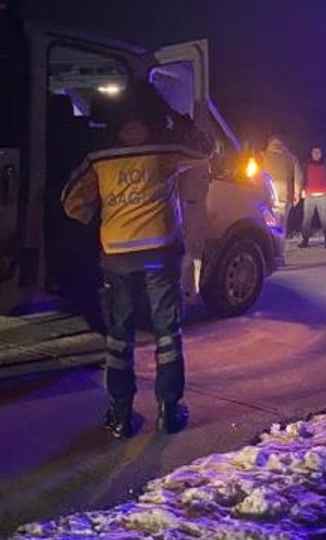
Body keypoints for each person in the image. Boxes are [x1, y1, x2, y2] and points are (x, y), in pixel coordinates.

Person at [61, 81, 213, 439]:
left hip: (117, 255)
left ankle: (121, 413)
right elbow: (206, 150)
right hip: (161, 252)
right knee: (167, 333)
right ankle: (168, 409)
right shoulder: (166, 151)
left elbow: (71, 202)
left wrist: (101, 215)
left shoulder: (98, 160)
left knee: (119, 336)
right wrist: (184, 123)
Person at [261, 134, 302, 236]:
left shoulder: (261, 156)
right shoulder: (292, 158)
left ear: (269, 143)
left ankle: (268, 247)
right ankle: (280, 247)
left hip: (266, 194)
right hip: (285, 195)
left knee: (267, 225)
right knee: (282, 225)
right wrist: (297, 193)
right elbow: (299, 176)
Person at [299, 146, 326, 248]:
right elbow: (301, 177)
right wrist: (302, 189)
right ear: (311, 153)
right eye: (314, 152)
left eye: (318, 152)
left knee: (325, 219)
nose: (316, 154)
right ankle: (305, 241)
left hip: (323, 196)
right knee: (306, 220)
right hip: (309, 195)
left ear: (321, 153)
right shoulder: (306, 164)